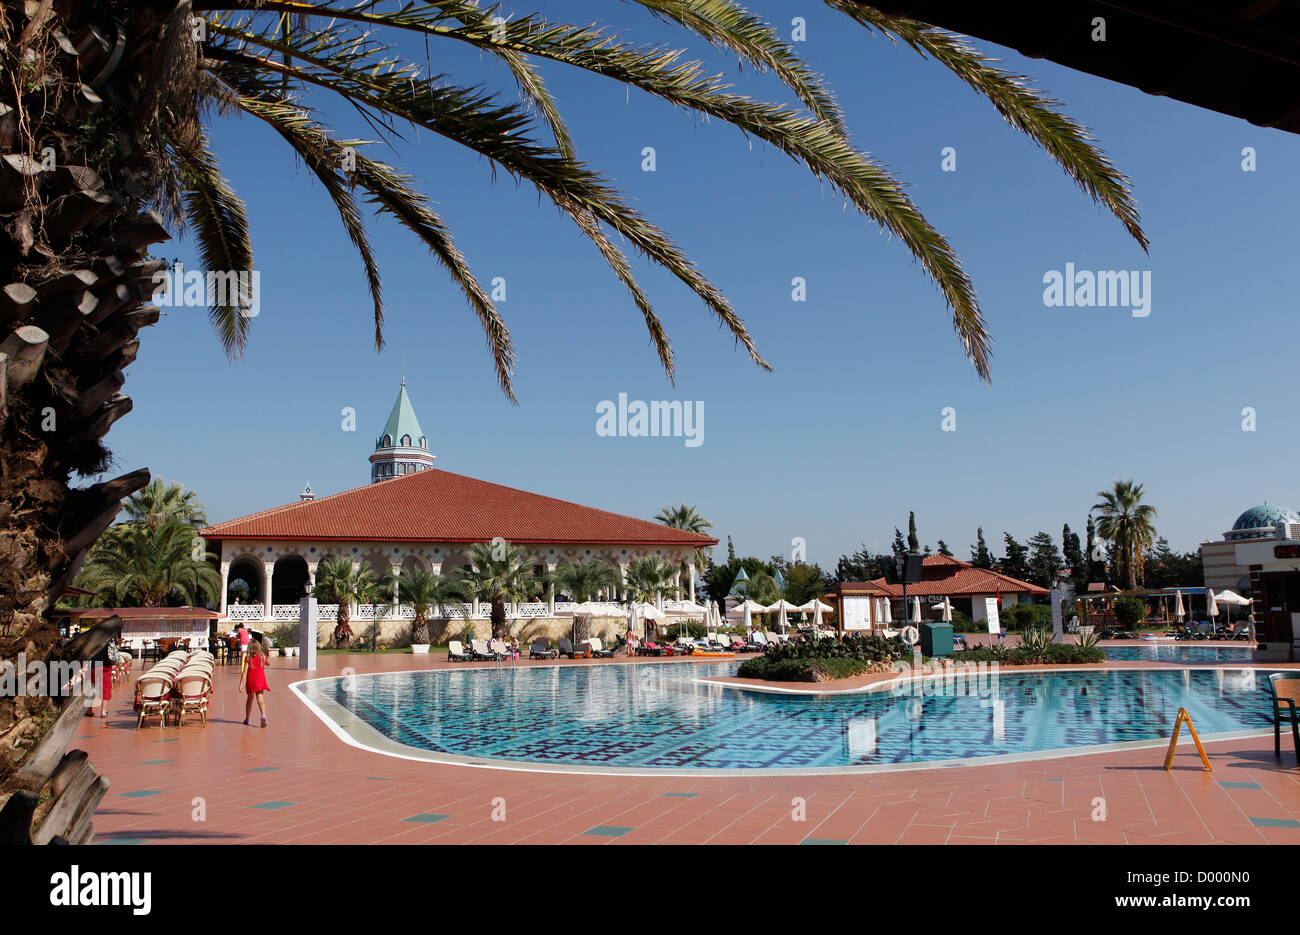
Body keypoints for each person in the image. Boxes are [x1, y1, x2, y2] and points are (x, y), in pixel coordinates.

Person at [240, 640, 271, 727]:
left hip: (251, 681)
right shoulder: (262, 657)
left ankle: (247, 719)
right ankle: (263, 715)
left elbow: (244, 672)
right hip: (260, 681)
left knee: (249, 700)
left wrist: (241, 684)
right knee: (260, 700)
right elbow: (269, 664)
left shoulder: (248, 658)